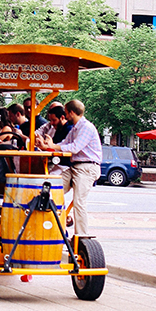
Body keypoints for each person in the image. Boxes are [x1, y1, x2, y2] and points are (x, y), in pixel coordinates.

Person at [40, 98, 101, 236]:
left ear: (71, 113)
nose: (65, 116)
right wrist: (48, 146)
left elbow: (74, 147)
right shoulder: (75, 128)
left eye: (66, 113)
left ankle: (82, 236)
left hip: (87, 167)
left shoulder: (86, 127)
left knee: (79, 201)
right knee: (51, 187)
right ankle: (58, 221)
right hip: (75, 166)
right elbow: (64, 143)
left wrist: (51, 146)